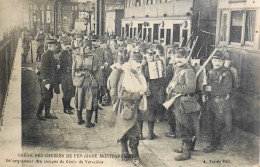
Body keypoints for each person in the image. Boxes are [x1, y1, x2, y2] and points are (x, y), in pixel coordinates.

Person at [111, 49, 147, 166]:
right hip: (126, 108)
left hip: (135, 108)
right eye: (136, 62)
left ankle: (126, 153)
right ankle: (131, 154)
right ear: (130, 62)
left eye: (140, 62)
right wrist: (138, 94)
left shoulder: (137, 74)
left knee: (131, 132)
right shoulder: (125, 74)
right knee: (129, 132)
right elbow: (122, 94)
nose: (139, 64)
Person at [166, 47, 199, 161]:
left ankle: (186, 152)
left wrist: (175, 87)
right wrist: (169, 86)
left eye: (181, 57)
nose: (178, 59)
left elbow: (191, 88)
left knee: (185, 126)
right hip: (177, 101)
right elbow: (174, 81)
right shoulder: (178, 68)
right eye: (177, 57)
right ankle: (184, 146)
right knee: (180, 125)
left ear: (186, 58)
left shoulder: (189, 71)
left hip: (185, 102)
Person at [202, 51, 233, 153]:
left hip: (221, 102)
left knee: (218, 123)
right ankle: (216, 143)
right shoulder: (209, 71)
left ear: (222, 61)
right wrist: (204, 94)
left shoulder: (226, 73)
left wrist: (211, 89)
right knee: (210, 121)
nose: (217, 63)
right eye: (215, 60)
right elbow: (205, 85)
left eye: (219, 61)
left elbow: (227, 89)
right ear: (211, 61)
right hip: (210, 101)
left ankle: (213, 145)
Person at [72, 43, 103, 127]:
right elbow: (97, 72)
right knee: (90, 101)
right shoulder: (94, 56)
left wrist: (74, 81)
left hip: (79, 81)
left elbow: (73, 70)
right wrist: (100, 83)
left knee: (79, 100)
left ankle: (79, 120)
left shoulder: (76, 55)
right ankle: (88, 122)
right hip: (90, 81)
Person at [36, 39, 58, 120]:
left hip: (50, 79)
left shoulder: (52, 54)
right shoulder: (45, 55)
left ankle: (47, 113)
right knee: (44, 97)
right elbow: (44, 70)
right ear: (51, 46)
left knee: (49, 96)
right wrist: (45, 81)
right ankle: (38, 113)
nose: (57, 47)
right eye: (56, 45)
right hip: (46, 80)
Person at [59, 42, 75, 115]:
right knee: (66, 92)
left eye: (68, 46)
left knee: (70, 91)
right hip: (65, 76)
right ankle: (65, 108)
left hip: (70, 75)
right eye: (66, 46)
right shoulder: (62, 55)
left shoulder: (69, 53)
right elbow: (60, 66)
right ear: (62, 46)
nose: (68, 47)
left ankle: (68, 105)